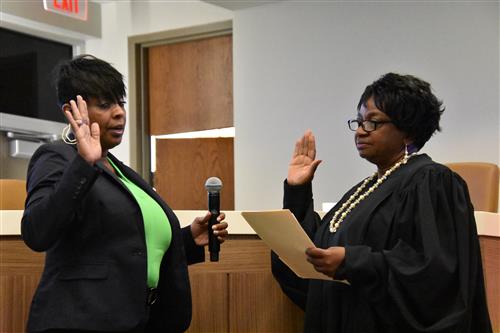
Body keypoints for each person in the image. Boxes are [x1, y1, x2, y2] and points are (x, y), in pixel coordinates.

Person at [21, 54, 228, 333]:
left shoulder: (119, 169)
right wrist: (84, 164)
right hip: (81, 321)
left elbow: (128, 248)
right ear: (72, 110)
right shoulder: (57, 158)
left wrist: (189, 239)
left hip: (139, 320)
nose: (119, 112)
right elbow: (37, 231)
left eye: (121, 102)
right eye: (105, 104)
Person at [271, 73, 492, 333]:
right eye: (360, 121)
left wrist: (354, 261)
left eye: (373, 122)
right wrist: (298, 190)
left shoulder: (433, 181)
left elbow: (436, 273)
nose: (361, 131)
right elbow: (315, 253)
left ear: (408, 132)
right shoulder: (365, 189)